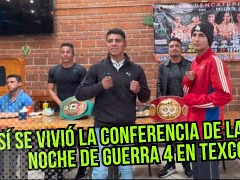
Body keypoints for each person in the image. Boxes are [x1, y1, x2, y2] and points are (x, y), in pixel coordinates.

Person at [75, 28, 150, 179]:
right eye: (110, 41)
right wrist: (100, 86)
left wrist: (139, 89)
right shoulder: (97, 68)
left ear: (125, 44)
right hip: (103, 126)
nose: (114, 44)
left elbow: (145, 97)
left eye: (118, 40)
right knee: (100, 171)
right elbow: (80, 94)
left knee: (127, 170)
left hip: (126, 127)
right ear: (106, 44)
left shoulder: (136, 69)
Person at [182, 23, 232, 179]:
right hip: (193, 124)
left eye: (201, 35)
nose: (196, 39)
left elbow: (224, 95)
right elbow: (186, 92)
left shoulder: (214, 61)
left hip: (208, 126)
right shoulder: (195, 62)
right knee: (197, 170)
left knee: (208, 172)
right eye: (194, 35)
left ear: (209, 39)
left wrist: (193, 100)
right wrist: (189, 81)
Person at [47, 43, 87, 179]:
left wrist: (76, 106)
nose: (65, 54)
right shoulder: (54, 70)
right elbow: (50, 89)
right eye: (63, 52)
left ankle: (82, 169)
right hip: (61, 111)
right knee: (63, 140)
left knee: (81, 142)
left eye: (68, 52)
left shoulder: (81, 70)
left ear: (73, 54)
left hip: (79, 112)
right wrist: (61, 104)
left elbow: (85, 90)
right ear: (60, 54)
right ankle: (63, 167)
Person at [156, 37, 192, 178]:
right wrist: (159, 104)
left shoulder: (190, 65)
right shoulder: (163, 66)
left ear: (181, 48)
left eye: (177, 46)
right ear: (168, 49)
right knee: (170, 138)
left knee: (186, 138)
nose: (174, 48)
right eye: (171, 46)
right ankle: (170, 164)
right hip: (169, 109)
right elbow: (159, 84)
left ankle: (186, 164)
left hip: (185, 107)